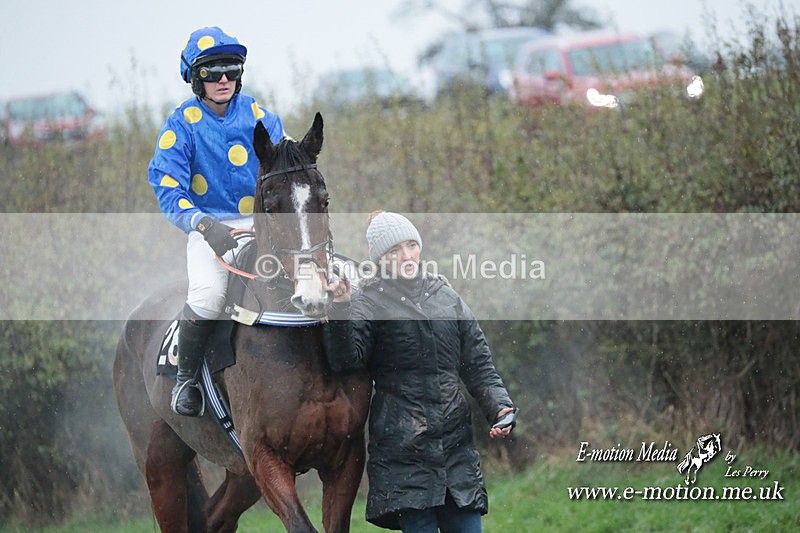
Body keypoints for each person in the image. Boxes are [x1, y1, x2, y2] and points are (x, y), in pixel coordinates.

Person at [325, 211, 517, 532]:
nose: (406, 256)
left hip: (456, 450)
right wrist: (341, 307)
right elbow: (346, 362)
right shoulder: (367, 302)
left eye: (411, 245)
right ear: (381, 259)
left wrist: (500, 407)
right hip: (404, 453)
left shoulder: (446, 296)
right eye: (394, 251)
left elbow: (478, 364)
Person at [148, 26, 285, 417]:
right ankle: (186, 380)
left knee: (312, 277)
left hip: (264, 225)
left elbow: (287, 168)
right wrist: (206, 226)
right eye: (211, 71)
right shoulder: (180, 125)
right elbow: (168, 188)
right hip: (209, 230)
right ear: (196, 78)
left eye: (231, 68)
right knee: (208, 295)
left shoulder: (261, 115)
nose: (223, 79)